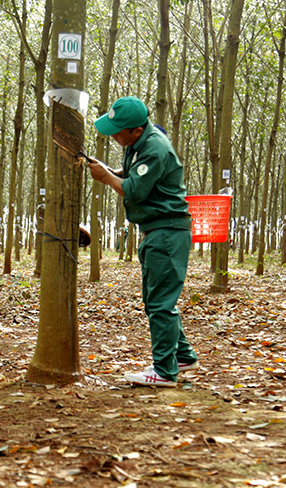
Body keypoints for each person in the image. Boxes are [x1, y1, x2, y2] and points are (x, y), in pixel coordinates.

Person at [86, 96, 198, 388]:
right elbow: (132, 173)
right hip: (158, 231)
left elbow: (134, 189)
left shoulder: (154, 148)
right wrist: (110, 170)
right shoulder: (141, 142)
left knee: (161, 304)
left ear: (136, 129)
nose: (113, 136)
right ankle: (181, 355)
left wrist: (107, 179)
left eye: (118, 131)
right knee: (156, 301)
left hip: (167, 233)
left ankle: (164, 371)